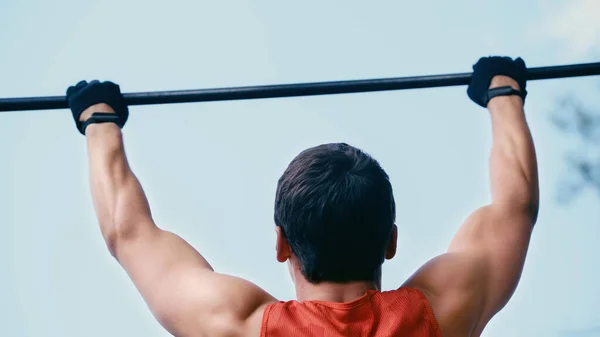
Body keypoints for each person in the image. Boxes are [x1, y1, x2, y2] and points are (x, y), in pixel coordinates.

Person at [66, 56, 538, 337]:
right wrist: (503, 92)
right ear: (390, 241)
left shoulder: (236, 323)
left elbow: (127, 233)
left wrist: (99, 122)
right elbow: (515, 207)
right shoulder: (438, 312)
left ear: (281, 244)